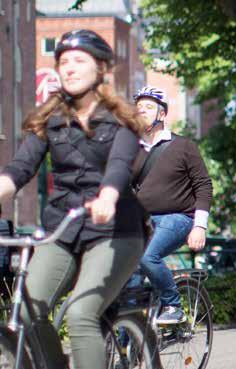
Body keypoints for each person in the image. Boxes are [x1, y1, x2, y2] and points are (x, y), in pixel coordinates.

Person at [0, 29, 145, 369]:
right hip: (62, 229)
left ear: (102, 70)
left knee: (81, 314)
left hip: (115, 232)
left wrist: (107, 197)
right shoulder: (49, 122)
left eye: (79, 61)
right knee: (25, 310)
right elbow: (19, 169)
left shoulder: (121, 123)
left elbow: (119, 167)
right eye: (63, 62)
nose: (69, 67)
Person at [128, 85, 213, 324]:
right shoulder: (132, 150)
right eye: (139, 108)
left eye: (148, 107)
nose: (141, 111)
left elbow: (204, 186)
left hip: (177, 218)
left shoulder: (183, 146)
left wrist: (200, 226)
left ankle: (173, 305)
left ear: (162, 114)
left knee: (147, 257)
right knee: (126, 275)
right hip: (142, 221)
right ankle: (128, 342)